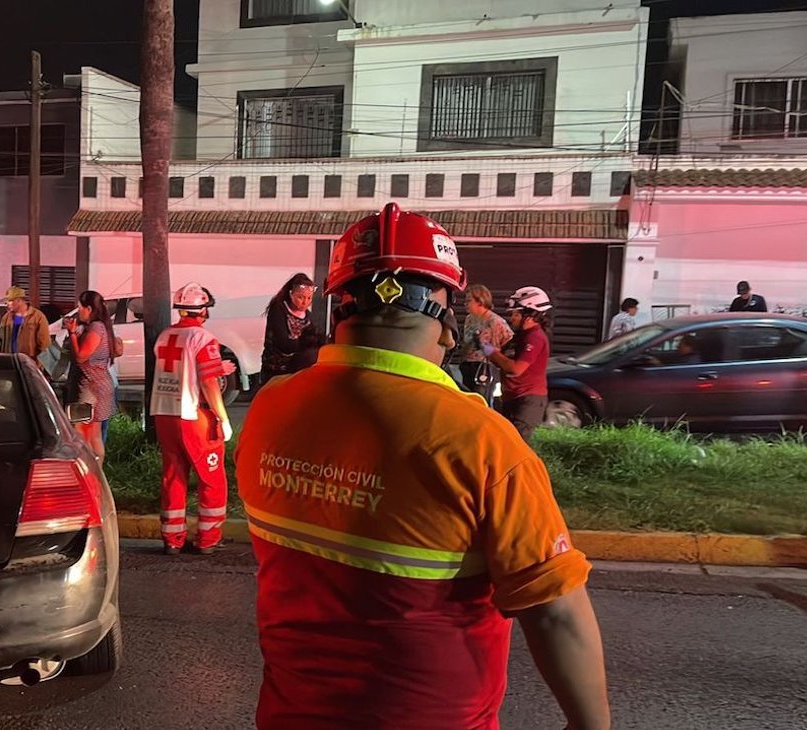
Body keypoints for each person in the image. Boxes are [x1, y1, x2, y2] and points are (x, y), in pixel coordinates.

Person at [235, 204, 608, 730]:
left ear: (338, 309)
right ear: (447, 323)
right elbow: (556, 612)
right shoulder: (481, 442)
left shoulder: (271, 408)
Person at [151, 282, 235, 556]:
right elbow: (209, 383)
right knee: (212, 478)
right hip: (193, 414)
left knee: (173, 476)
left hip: (165, 413)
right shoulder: (204, 339)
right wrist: (223, 418)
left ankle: (172, 538)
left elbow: (181, 368)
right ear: (202, 311)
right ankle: (208, 538)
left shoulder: (165, 336)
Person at [485, 286, 553, 443]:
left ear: (530, 315)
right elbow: (502, 359)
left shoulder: (535, 337)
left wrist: (490, 351)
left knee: (515, 446)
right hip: (512, 398)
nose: (512, 318)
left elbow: (515, 369)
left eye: (516, 314)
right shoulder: (521, 336)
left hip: (527, 401)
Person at [64, 291, 117, 465]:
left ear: (88, 308)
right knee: (93, 434)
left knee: (83, 434)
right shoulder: (102, 327)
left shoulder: (96, 328)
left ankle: (89, 474)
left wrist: (72, 334)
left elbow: (81, 356)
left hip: (91, 389)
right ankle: (96, 477)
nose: (78, 312)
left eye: (79, 308)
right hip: (99, 386)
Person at [260, 273, 320, 385]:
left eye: (309, 298)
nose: (305, 302)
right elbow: (283, 344)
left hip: (298, 371)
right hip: (275, 371)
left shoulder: (309, 317)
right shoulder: (278, 310)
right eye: (300, 297)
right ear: (291, 294)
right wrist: (306, 344)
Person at [459, 283, 512, 404]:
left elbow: (509, 341)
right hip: (467, 364)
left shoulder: (495, 321)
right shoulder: (469, 319)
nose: (465, 304)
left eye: (469, 301)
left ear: (480, 301)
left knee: (481, 400)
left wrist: (497, 355)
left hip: (485, 366)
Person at [0, 286, 51, 367]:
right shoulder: (6, 317)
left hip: (28, 365)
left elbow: (45, 344)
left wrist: (37, 365)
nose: (6, 303)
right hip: (10, 364)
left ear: (19, 300)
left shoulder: (37, 317)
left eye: (10, 301)